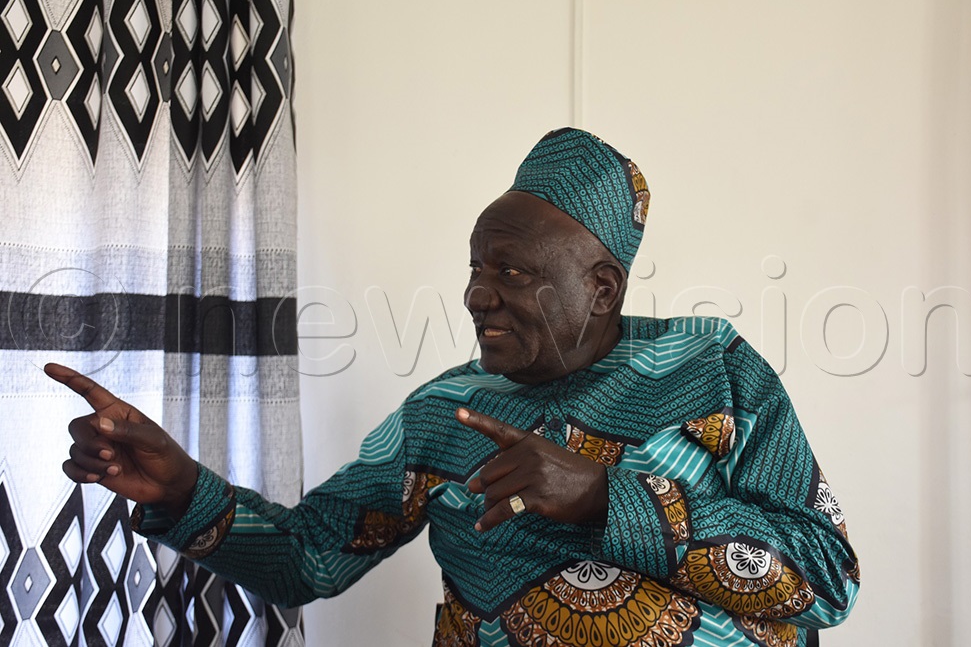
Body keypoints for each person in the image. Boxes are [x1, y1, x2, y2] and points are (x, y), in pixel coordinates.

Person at [49, 128, 859, 647]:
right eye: (475, 267)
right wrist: (183, 487)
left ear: (603, 287)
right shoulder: (444, 413)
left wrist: (606, 498)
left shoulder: (712, 367)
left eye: (512, 270)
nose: (477, 293)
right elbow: (307, 559)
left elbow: (829, 575)